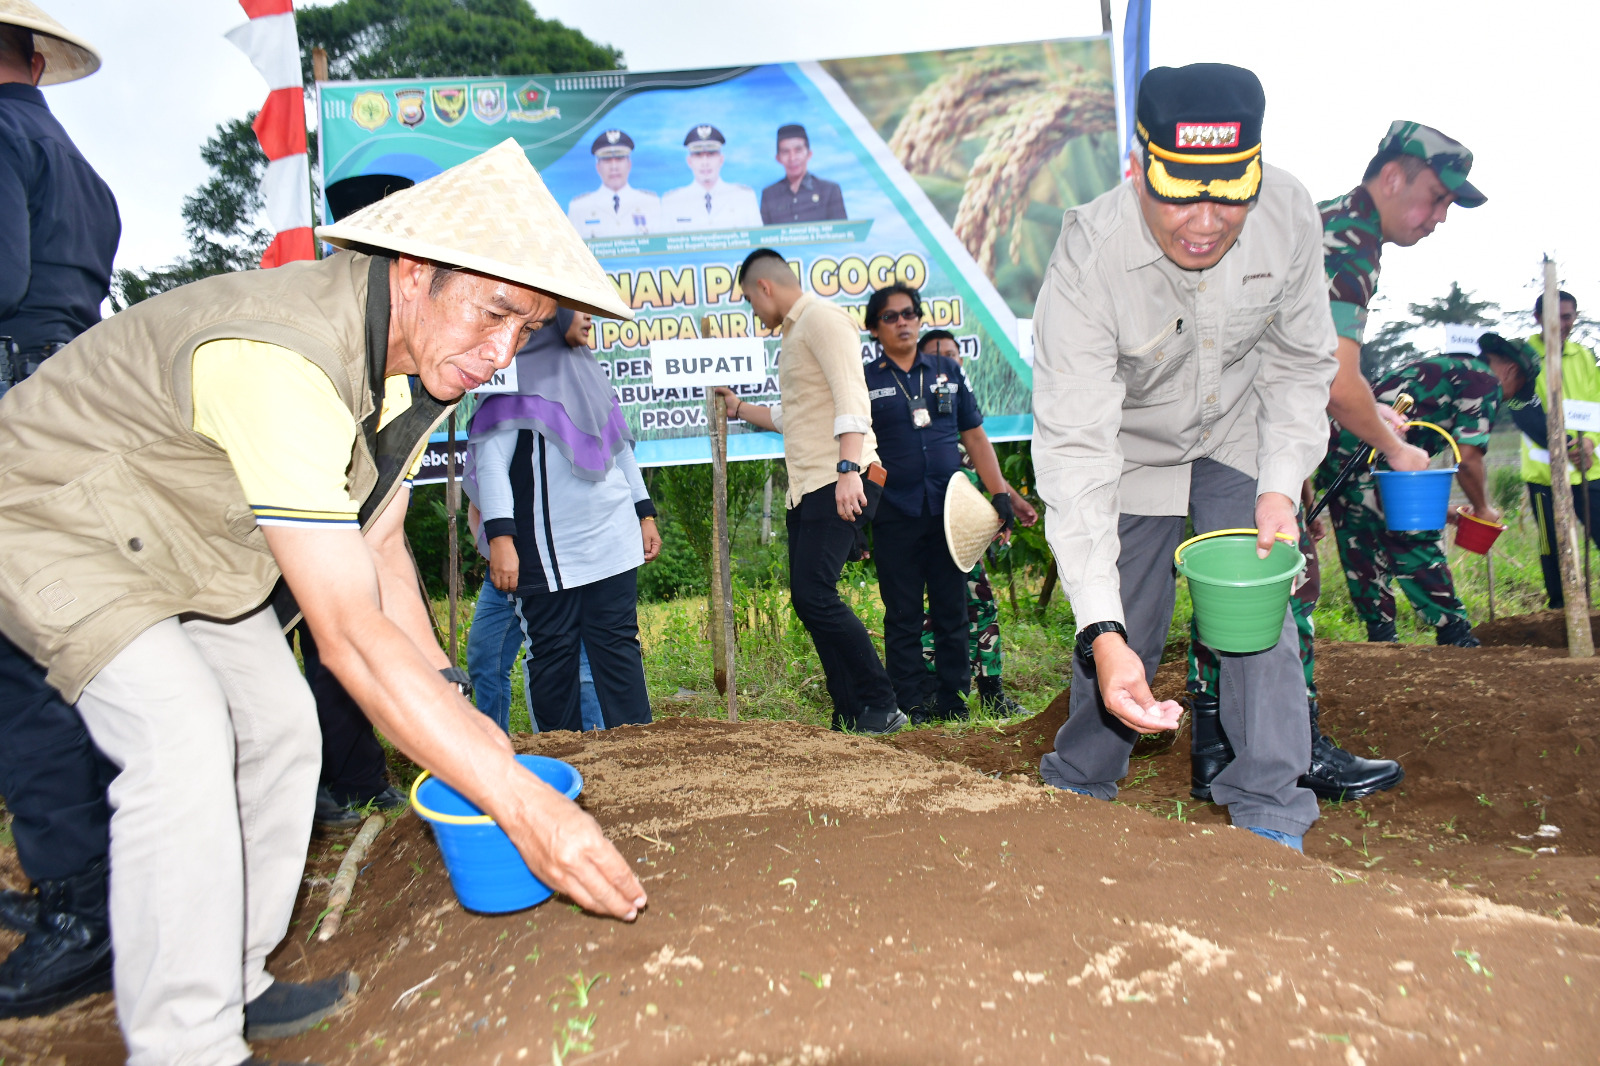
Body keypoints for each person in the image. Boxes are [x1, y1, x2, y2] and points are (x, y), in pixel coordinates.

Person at [0, 140, 646, 1066]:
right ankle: (185, 1042)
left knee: (284, 730)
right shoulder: (285, 359)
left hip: (185, 533)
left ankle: (231, 975)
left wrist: (459, 714)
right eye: (496, 311)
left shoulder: (405, 374)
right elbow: (344, 634)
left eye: (527, 326)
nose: (503, 353)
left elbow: (380, 546)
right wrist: (515, 800)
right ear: (416, 272)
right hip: (50, 510)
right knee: (178, 736)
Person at [1033, 63, 1338, 852]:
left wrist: (1280, 487)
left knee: (1257, 612)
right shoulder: (1086, 259)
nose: (1204, 222)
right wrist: (1101, 626)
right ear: (1139, 166)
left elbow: (1303, 363)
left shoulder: (1291, 216)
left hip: (1240, 435)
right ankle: (1081, 782)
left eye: (1230, 193)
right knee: (1122, 622)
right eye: (1180, 192)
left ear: (1257, 172)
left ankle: (1270, 807)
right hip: (1130, 451)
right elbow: (1075, 445)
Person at [1188, 120, 1485, 803]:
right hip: (1244, 439)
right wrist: (1396, 447)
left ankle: (1215, 752)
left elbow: (1304, 367)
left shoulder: (1319, 224)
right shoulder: (1348, 241)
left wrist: (1356, 422)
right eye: (1435, 197)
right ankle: (1292, 749)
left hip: (1222, 428)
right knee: (1288, 588)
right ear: (1391, 177)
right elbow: (1330, 377)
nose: (1438, 217)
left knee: (1232, 585)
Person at [0, 1, 119, 1021]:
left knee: (19, 666)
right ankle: (98, 878)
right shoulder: (73, 159)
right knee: (66, 650)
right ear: (37, 54)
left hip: (12, 405)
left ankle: (85, 905)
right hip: (68, 406)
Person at [713, 249, 906, 735]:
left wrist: (848, 470)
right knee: (808, 597)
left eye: (750, 302)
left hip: (836, 476)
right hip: (809, 486)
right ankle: (849, 711)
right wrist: (738, 408)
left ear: (765, 288)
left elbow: (851, 396)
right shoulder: (795, 334)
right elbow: (792, 415)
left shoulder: (821, 319)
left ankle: (881, 703)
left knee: (814, 593)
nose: (754, 313)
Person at [468, 306, 660, 733]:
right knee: (553, 652)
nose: (590, 318)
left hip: (612, 536)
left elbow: (620, 448)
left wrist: (644, 512)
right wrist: (501, 538)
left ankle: (639, 760)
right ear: (553, 313)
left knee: (618, 646)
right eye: (579, 309)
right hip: (547, 548)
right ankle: (564, 762)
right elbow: (493, 461)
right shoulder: (511, 370)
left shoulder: (587, 367)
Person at [863, 286, 1034, 723]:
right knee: (902, 614)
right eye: (890, 316)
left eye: (909, 314)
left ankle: (952, 701)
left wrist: (999, 495)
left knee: (951, 610)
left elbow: (975, 436)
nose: (902, 322)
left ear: (918, 320)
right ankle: (913, 703)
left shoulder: (947, 372)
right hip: (893, 513)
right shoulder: (867, 380)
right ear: (874, 328)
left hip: (949, 514)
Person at [1318, 334, 1534, 646]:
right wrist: (1484, 508)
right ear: (1513, 371)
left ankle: (1380, 638)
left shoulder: (1449, 367)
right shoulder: (1485, 380)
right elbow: (1469, 458)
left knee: (1359, 541)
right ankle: (1454, 633)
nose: (1507, 395)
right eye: (1517, 389)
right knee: (1413, 533)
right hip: (1374, 451)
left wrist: (1444, 512)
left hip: (1335, 449)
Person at [914, 328, 1030, 715]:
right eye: (940, 353)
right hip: (927, 525)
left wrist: (1010, 501)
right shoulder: (919, 406)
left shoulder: (958, 402)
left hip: (965, 529)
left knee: (978, 606)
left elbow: (978, 460)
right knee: (939, 610)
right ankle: (936, 692)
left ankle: (988, 692)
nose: (950, 360)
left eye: (954, 353)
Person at [466, 501, 607, 733]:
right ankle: (492, 745)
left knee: (578, 665)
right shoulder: (483, 466)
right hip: (500, 573)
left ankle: (592, 747)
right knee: (485, 658)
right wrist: (488, 545)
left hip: (553, 566)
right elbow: (477, 503)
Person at [1512, 291, 1600, 609]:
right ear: (1537, 318)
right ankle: (1560, 610)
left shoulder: (1585, 356)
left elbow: (1596, 404)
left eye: (1568, 316)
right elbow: (1523, 409)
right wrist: (1564, 447)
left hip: (1589, 468)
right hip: (1544, 473)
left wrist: (1588, 442)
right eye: (1555, 317)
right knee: (1554, 546)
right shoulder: (1523, 355)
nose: (1563, 324)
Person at [661, 124, 762, 232]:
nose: (705, 163)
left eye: (711, 154)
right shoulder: (672, 202)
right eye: (698, 155)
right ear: (689, 161)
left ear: (721, 159)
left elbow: (758, 242)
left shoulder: (744, 197)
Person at [566, 128, 661, 240]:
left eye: (619, 159)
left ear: (629, 164)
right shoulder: (578, 207)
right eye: (607, 160)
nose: (614, 167)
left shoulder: (650, 202)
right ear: (598, 167)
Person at [759, 123, 846, 225]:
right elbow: (764, 237)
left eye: (798, 150)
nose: (792, 158)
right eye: (786, 152)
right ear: (778, 158)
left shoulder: (829, 191)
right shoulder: (769, 195)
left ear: (809, 154)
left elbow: (843, 234)